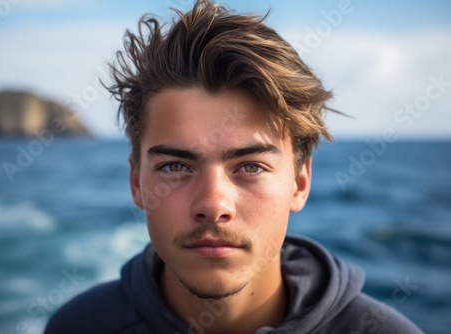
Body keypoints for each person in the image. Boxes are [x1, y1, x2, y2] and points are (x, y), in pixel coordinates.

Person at [45, 1, 423, 333]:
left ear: (300, 183)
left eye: (251, 167)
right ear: (136, 183)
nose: (213, 204)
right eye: (175, 166)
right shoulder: (76, 325)